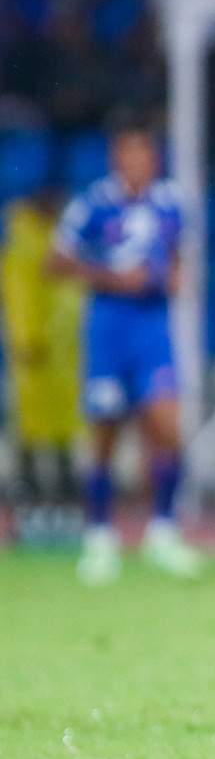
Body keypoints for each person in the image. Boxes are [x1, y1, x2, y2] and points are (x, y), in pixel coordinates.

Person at [47, 113, 202, 584]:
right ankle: (99, 537)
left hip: (153, 330)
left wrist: (173, 277)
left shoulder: (172, 203)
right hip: (109, 329)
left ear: (154, 158)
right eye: (129, 154)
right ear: (117, 158)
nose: (138, 163)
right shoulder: (93, 204)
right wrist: (114, 278)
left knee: (167, 425)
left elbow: (178, 258)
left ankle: (163, 531)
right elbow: (54, 262)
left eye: (145, 154)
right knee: (106, 432)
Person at [1, 176, 84, 519]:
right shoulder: (20, 238)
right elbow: (18, 294)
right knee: (29, 410)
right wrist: (25, 336)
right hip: (33, 342)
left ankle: (64, 475)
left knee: (65, 409)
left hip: (65, 342)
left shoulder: (62, 237)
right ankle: (28, 476)